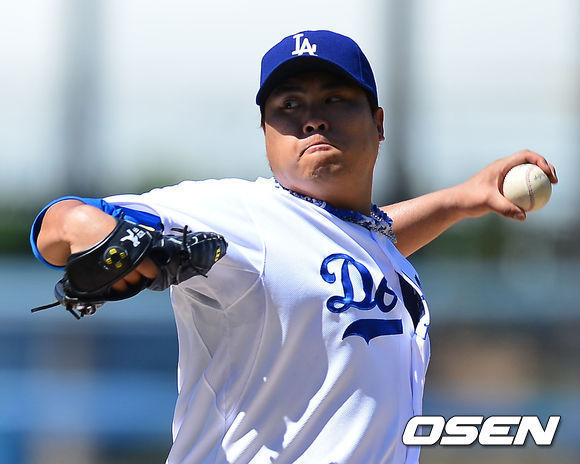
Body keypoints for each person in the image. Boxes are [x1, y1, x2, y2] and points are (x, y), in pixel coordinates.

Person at [31, 30, 557, 463]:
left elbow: (362, 240)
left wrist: (462, 199)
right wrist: (82, 224)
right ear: (265, 133)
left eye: (334, 99)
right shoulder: (242, 215)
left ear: (378, 123)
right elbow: (56, 224)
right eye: (289, 106)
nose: (312, 119)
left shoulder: (362, 241)